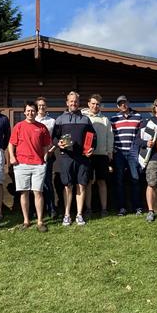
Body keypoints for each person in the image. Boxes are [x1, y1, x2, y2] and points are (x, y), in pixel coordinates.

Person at [53, 91, 96, 226]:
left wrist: (92, 148)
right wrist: (58, 143)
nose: (74, 103)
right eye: (71, 101)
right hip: (67, 157)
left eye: (76, 101)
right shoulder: (60, 119)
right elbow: (54, 137)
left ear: (79, 103)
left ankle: (79, 214)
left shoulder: (85, 119)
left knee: (81, 185)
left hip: (82, 158)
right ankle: (66, 214)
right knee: (67, 186)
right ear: (67, 103)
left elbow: (93, 137)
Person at [8, 101, 52, 232]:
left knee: (38, 192)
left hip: (38, 164)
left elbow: (46, 145)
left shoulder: (42, 127)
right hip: (21, 164)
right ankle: (26, 221)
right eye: (28, 110)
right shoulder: (19, 126)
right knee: (24, 192)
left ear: (36, 111)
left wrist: (45, 157)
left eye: (32, 110)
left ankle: (40, 221)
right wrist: (11, 156)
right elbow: (11, 144)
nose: (30, 113)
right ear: (24, 112)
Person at [110, 95, 144, 216]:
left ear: (128, 103)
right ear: (117, 106)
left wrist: (137, 150)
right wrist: (113, 150)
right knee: (119, 180)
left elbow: (141, 136)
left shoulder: (138, 117)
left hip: (133, 152)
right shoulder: (113, 119)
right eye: (120, 104)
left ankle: (137, 207)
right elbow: (111, 137)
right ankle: (121, 208)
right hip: (119, 152)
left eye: (124, 102)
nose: (123, 105)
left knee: (135, 179)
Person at [82, 94, 114, 217]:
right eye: (93, 103)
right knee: (88, 182)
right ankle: (88, 209)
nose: (95, 106)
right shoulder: (83, 117)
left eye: (98, 104)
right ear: (89, 104)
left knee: (102, 182)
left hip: (102, 155)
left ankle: (104, 209)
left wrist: (109, 152)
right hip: (87, 155)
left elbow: (110, 137)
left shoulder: (105, 120)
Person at [35, 97, 57, 218]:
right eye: (39, 105)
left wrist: (51, 150)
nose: (41, 107)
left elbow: (55, 138)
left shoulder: (52, 121)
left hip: (47, 156)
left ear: (46, 107)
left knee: (47, 182)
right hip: (34, 157)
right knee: (36, 184)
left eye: (43, 105)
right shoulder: (32, 120)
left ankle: (51, 208)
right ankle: (38, 210)